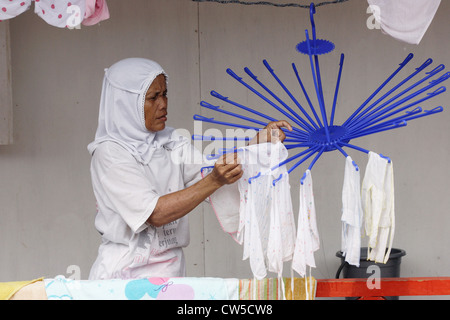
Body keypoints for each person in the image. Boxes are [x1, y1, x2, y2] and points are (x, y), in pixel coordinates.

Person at [87, 57, 292, 280]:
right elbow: (155, 213)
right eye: (153, 97)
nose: (163, 104)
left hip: (169, 272)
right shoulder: (110, 153)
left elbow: (207, 172)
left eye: (164, 94)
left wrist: (256, 144)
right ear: (124, 103)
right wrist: (214, 179)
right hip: (124, 275)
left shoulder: (170, 141)